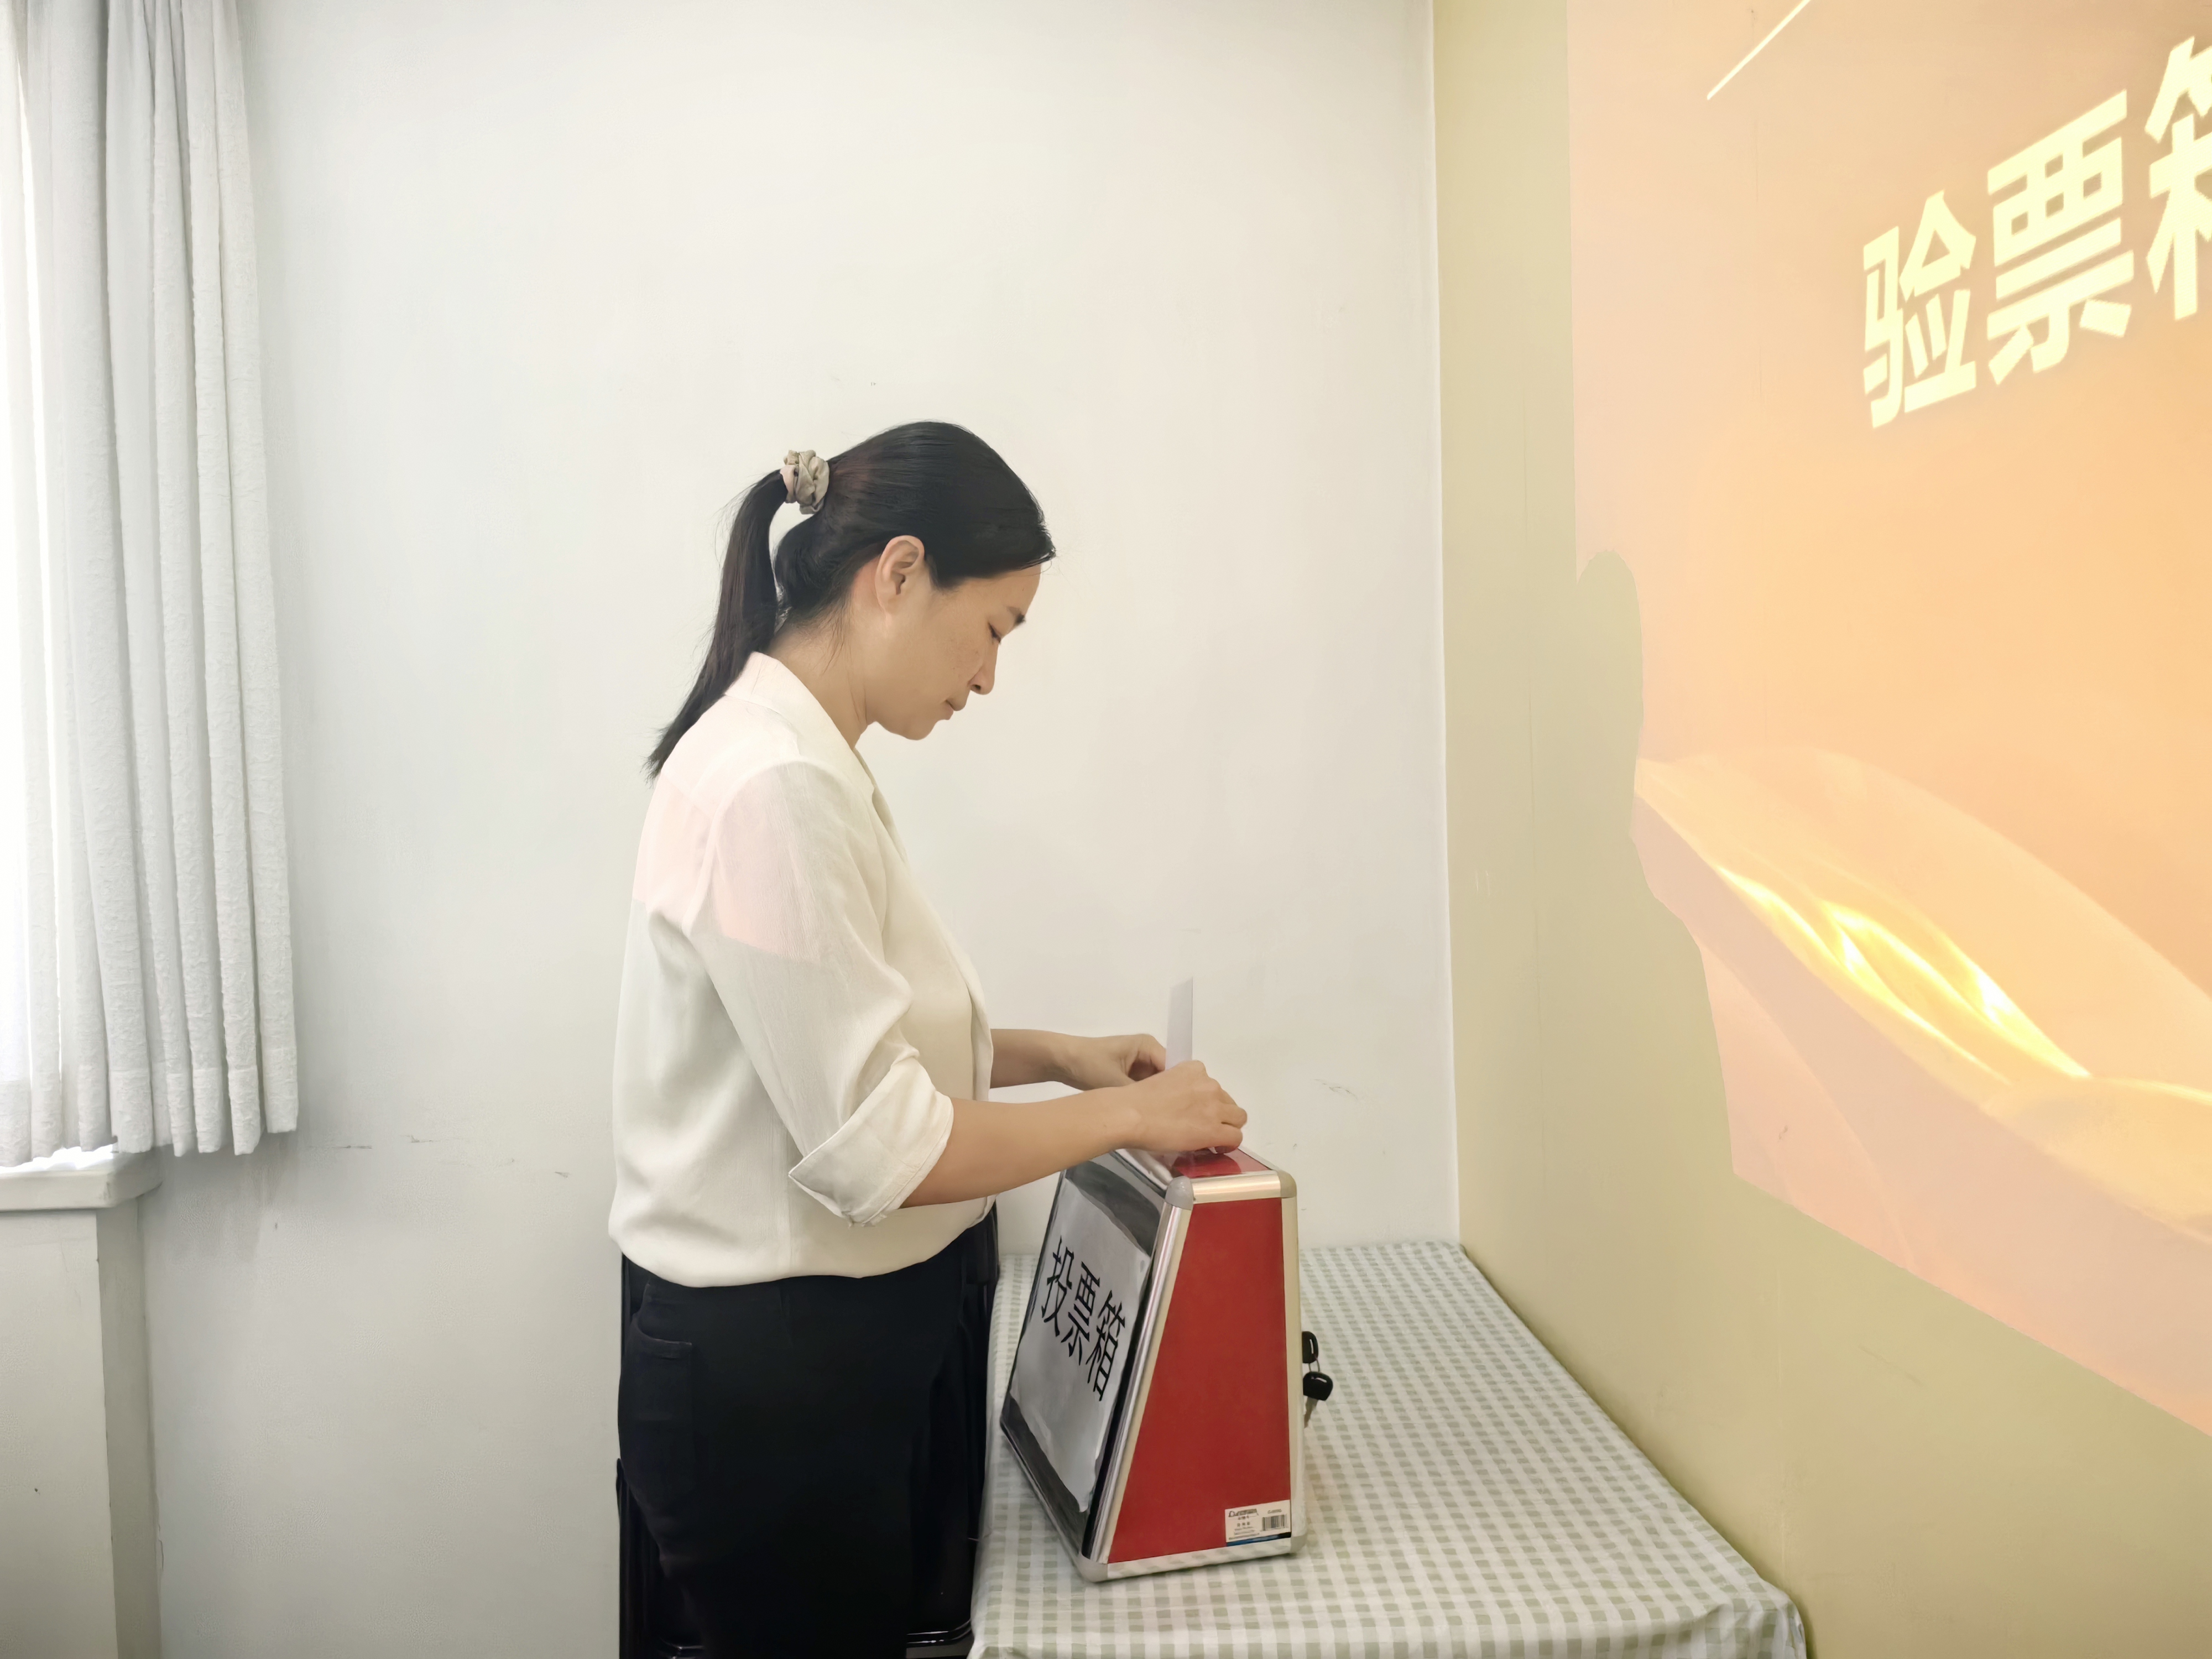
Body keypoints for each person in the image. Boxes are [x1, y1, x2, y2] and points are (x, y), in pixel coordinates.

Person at [609, 421, 1246, 1657]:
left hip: (816, 1361)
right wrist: (1128, 1117)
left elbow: (833, 1043)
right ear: (898, 573)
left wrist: (1052, 1056)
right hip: (778, 1384)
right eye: (994, 628)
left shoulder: (797, 758)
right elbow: (880, 1144)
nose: (990, 677)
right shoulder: (773, 786)